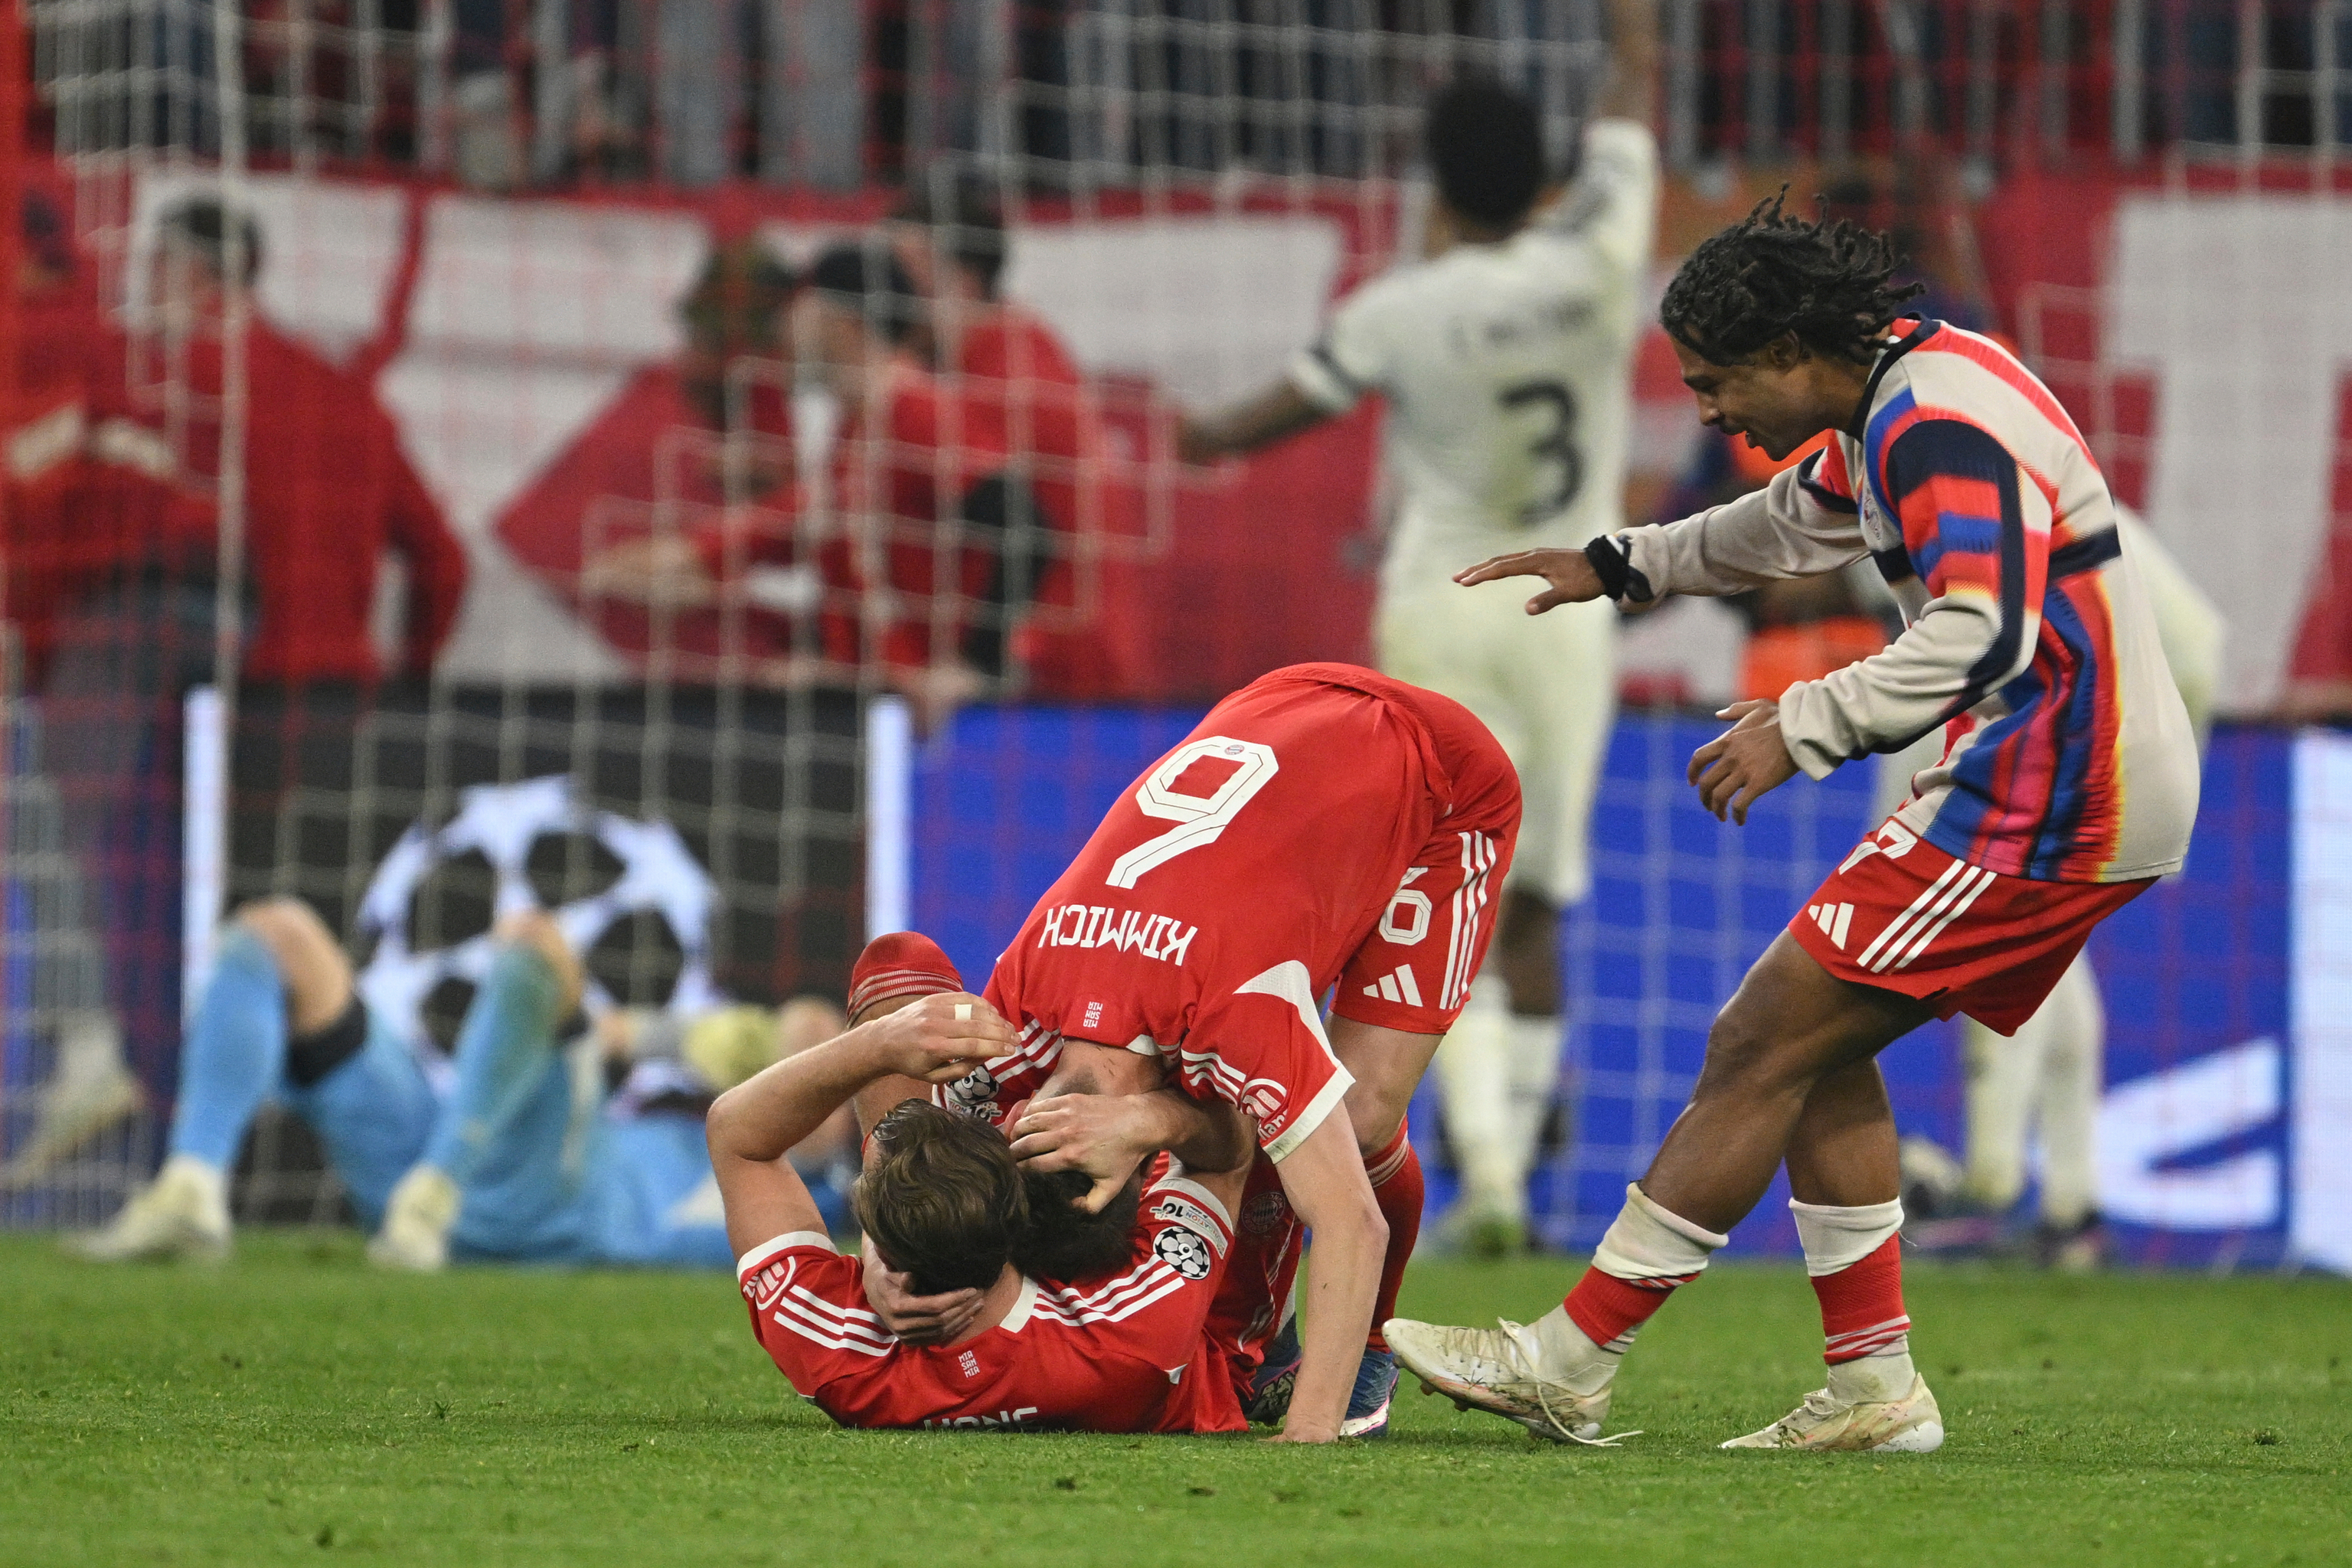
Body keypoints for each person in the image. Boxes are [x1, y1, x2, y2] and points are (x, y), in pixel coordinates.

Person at [1386, 193, 2200, 1452]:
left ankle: (1571, 1356)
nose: (1708, 414)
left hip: (2056, 789)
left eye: (1716, 383)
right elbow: (1780, 520)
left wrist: (1802, 719)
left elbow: (1985, 621)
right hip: (2036, 776)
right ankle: (1871, 1387)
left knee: (1757, 1037)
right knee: (1811, 1048)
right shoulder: (1901, 403)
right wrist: (1618, 564)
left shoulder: (1931, 422)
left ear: (1786, 349)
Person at [1175, 0, 1659, 1254]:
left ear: (1434, 187)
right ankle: (1524, 1174)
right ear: (1542, 178)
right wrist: (1636, 39)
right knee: (1543, 896)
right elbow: (1629, 114)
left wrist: (1192, 432)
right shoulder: (1595, 258)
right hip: (1572, 606)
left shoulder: (1400, 309)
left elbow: (1272, 413)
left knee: (1452, 892)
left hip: (1443, 612)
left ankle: (1484, 1177)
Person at [849, 662, 1523, 1442]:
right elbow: (904, 1102)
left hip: (1441, 771)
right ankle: (1272, 1328)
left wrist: (1308, 1434)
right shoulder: (1018, 1009)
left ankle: (1366, 1344)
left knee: (1358, 1118)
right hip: (1268, 704)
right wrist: (882, 1245)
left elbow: (1354, 1224)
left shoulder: (1239, 1012)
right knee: (1260, 1109)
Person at [72, 898, 842, 1268]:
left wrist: (704, 1040)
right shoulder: (710, 1129)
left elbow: (822, 1068)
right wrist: (680, 1038)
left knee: (538, 946)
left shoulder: (823, 1198)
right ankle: (192, 1184)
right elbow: (599, 1037)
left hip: (547, 1201)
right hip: (443, 1147)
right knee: (279, 934)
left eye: (836, 1068)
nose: (808, 1063)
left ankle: (433, 1193)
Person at [709, 965, 1260, 1434]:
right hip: (1209, 1350)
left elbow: (736, 1134)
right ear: (1016, 1218)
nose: (1012, 1119)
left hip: (1085, 1347)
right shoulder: (1134, 1323)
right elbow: (1233, 1147)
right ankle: (1273, 1358)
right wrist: (1142, 1119)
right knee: (1239, 1071)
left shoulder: (838, 1348)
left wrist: (879, 1045)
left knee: (895, 966)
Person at [1891, 505, 2222, 1268]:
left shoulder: (1952, 499)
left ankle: (1990, 1181)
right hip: (2139, 730)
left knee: (1992, 914)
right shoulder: (2064, 500)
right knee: (2048, 942)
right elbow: (2202, 646)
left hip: (2078, 724)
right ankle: (2073, 1201)